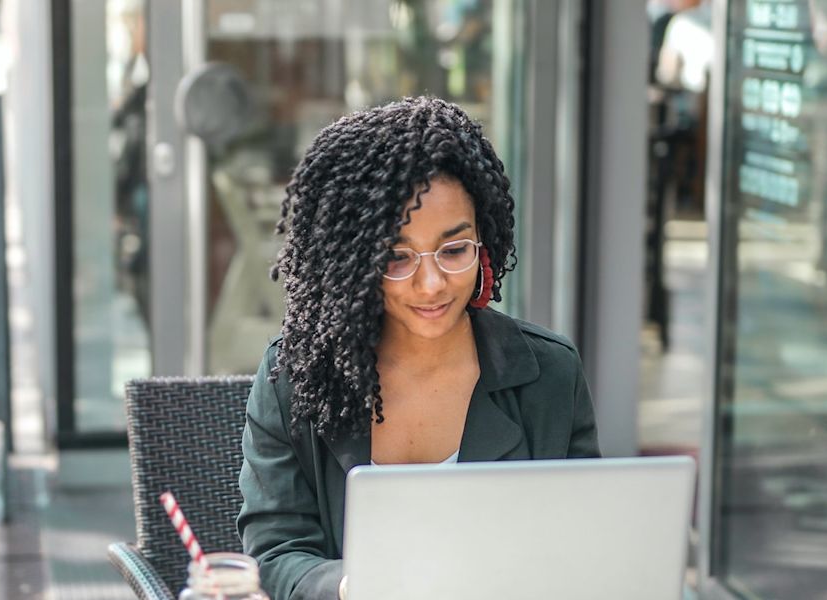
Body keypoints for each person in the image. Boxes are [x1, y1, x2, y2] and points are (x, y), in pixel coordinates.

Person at [236, 97, 601, 600]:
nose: (431, 285)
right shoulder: (293, 376)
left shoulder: (549, 374)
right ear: (353, 262)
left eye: (454, 250)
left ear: (484, 242)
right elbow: (275, 553)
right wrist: (349, 586)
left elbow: (584, 548)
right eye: (396, 257)